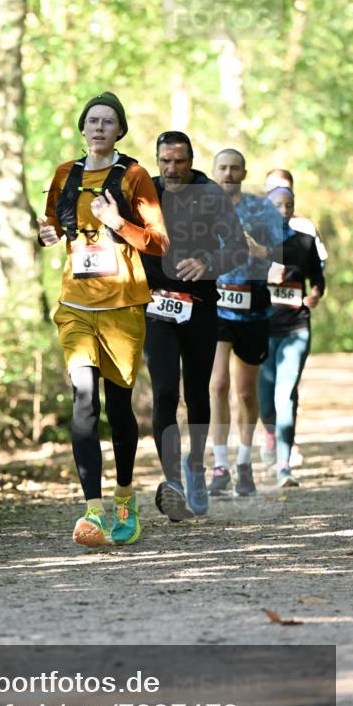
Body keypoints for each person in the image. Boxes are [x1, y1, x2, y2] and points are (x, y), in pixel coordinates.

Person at [38, 92, 168, 547]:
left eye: (107, 121)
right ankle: (92, 510)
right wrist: (47, 233)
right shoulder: (65, 174)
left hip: (123, 306)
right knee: (84, 400)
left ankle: (125, 498)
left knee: (119, 407)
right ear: (82, 128)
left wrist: (118, 223)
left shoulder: (133, 176)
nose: (98, 127)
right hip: (76, 304)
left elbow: (158, 242)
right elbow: (51, 225)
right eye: (91, 120)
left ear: (120, 130)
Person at [140, 132, 248, 522]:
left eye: (179, 162)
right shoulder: (144, 191)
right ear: (157, 160)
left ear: (191, 160)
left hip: (201, 307)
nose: (171, 169)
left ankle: (196, 468)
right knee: (166, 391)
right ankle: (173, 482)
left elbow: (236, 246)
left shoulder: (209, 193)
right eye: (165, 161)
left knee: (197, 395)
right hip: (156, 310)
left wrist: (207, 262)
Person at [208, 149, 284, 497]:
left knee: (244, 391)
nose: (228, 173)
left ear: (243, 172)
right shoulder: (203, 207)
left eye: (234, 168)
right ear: (214, 171)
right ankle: (220, 465)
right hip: (216, 307)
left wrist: (263, 253)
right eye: (222, 167)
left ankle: (244, 461)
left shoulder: (261, 209)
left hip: (253, 308)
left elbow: (286, 254)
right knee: (218, 384)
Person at [258, 186, 325, 486]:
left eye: (288, 205)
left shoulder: (305, 242)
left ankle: (284, 466)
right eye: (276, 206)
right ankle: (271, 435)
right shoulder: (254, 244)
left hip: (296, 327)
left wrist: (314, 295)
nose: (283, 211)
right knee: (265, 400)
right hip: (261, 329)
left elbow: (318, 278)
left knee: (285, 394)